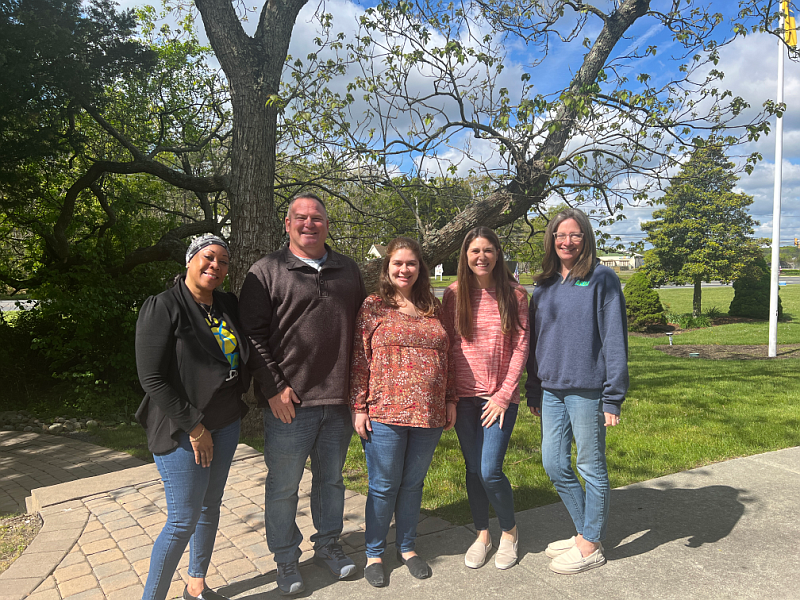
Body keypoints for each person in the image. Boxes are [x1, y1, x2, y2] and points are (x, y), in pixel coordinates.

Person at [238, 193, 366, 595]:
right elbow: (251, 336)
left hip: (340, 401)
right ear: (287, 224)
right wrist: (274, 387)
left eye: (317, 218)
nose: (309, 224)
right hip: (290, 404)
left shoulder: (348, 269)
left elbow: (365, 329)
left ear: (328, 224)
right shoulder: (268, 270)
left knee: (330, 482)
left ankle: (328, 545)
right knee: (283, 487)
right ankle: (286, 560)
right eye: (300, 218)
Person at [135, 234, 252, 600]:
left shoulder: (226, 305)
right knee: (182, 520)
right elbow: (150, 377)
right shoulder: (163, 306)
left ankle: (196, 585)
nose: (215, 265)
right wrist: (195, 426)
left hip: (227, 420)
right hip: (182, 428)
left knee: (209, 506)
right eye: (208, 257)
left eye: (223, 261)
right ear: (190, 261)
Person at [525, 208, 628, 575]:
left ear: (586, 239)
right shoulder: (544, 284)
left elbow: (614, 339)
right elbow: (537, 341)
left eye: (575, 235)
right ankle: (585, 530)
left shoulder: (602, 279)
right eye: (560, 235)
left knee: (590, 466)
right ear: (552, 240)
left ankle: (590, 545)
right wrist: (533, 389)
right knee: (554, 463)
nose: (566, 242)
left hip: (588, 390)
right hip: (551, 390)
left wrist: (613, 395)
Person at [350, 236, 457, 588]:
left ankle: (407, 547)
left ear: (420, 268)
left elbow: (449, 356)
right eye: (397, 263)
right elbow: (360, 360)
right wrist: (358, 407)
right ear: (387, 268)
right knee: (383, 487)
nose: (404, 269)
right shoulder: (373, 306)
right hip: (384, 412)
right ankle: (375, 553)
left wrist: (450, 400)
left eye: (411, 263)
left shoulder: (433, 306)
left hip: (428, 414)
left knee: (412, 485)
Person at [441, 226, 529, 570]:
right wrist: (450, 396)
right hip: (463, 399)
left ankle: (509, 532)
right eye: (475, 251)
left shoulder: (515, 295)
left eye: (488, 250)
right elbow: (447, 346)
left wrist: (504, 394)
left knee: (489, 469)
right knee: (472, 469)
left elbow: (522, 346)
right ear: (465, 255)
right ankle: (482, 534)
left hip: (500, 398)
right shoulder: (453, 294)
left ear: (498, 254)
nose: (482, 257)